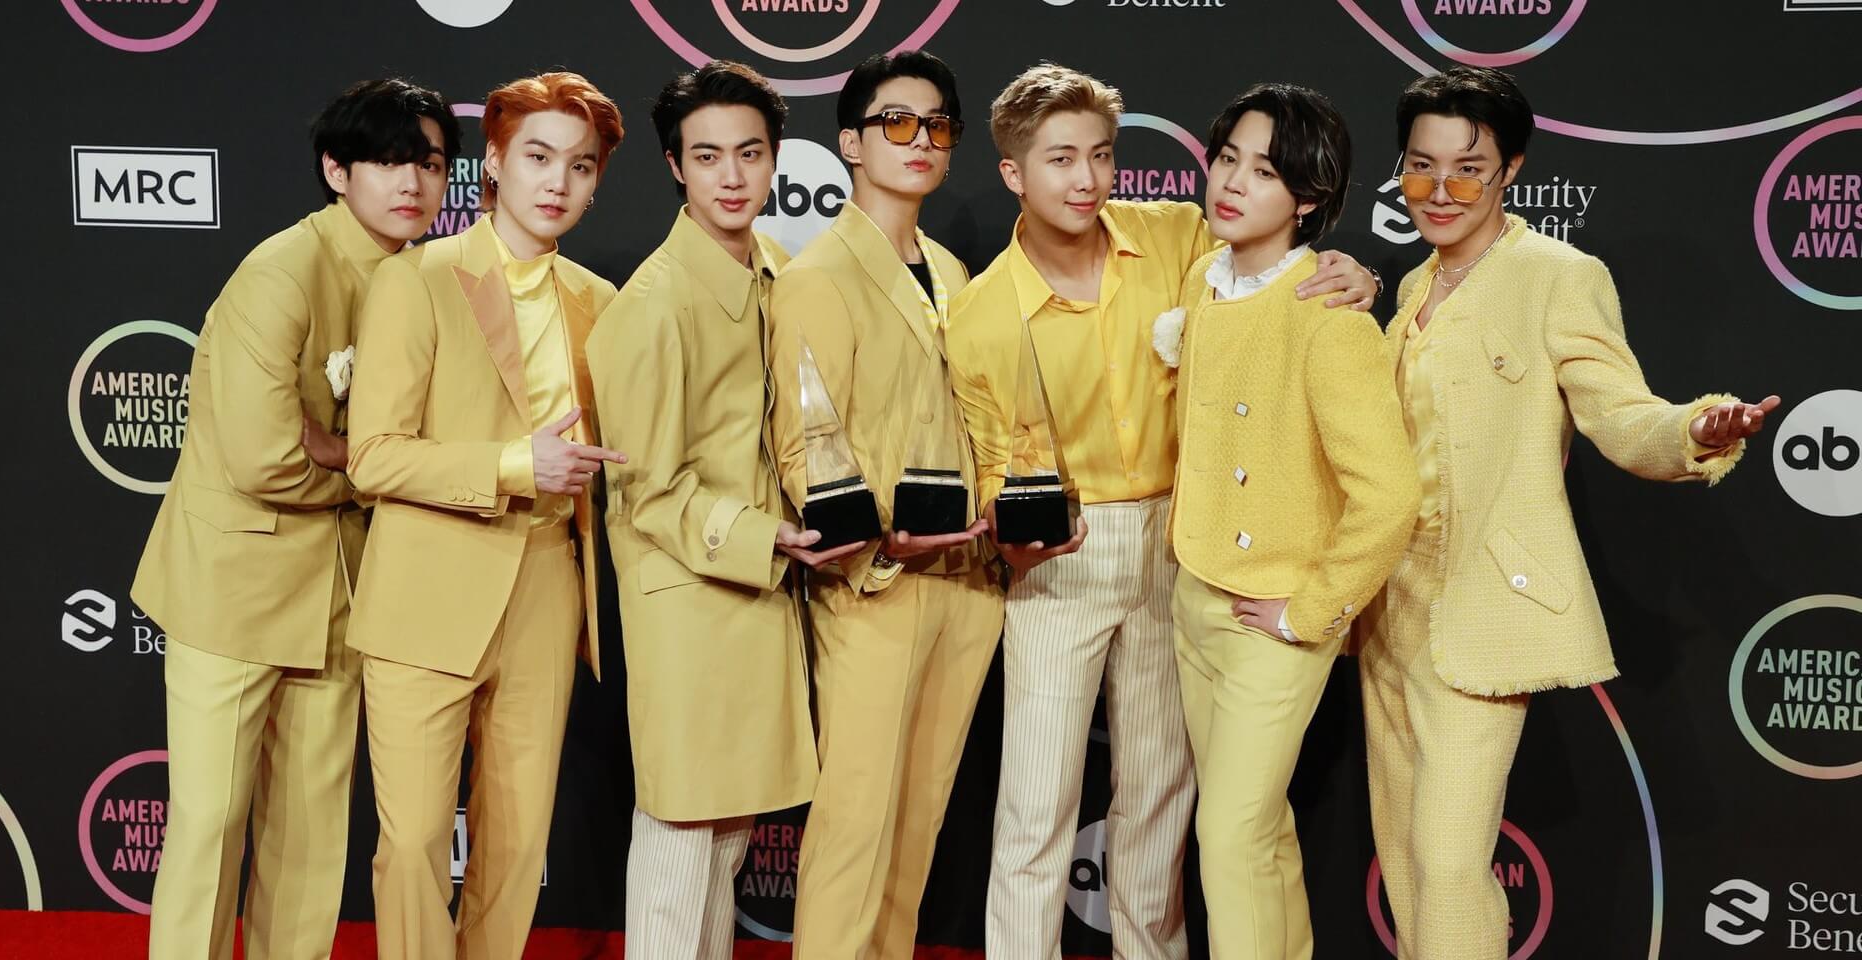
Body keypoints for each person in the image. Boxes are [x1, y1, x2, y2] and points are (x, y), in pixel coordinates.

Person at [942, 62, 1380, 960]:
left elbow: (1278, 263)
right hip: (1056, 563)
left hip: (1181, 546)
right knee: (1034, 807)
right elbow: (988, 469)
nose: (1087, 179)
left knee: (1160, 799)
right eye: (1060, 159)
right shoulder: (980, 314)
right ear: (1013, 173)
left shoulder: (1179, 235)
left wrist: (1356, 271)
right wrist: (1008, 535)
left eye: (1102, 155)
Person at [1363, 65, 1779, 960]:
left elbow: (1621, 417)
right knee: (1403, 860)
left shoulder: (1557, 275)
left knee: (1448, 862)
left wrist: (1698, 429)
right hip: (1388, 608)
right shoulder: (1412, 288)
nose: (1442, 191)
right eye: (1421, 168)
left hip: (1484, 606)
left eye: (1469, 168)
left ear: (1510, 169)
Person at [132, 77, 456, 960]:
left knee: (311, 841)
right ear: (336, 170)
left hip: (346, 597)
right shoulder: (281, 273)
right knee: (209, 825)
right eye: (386, 160)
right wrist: (376, 464)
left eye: (429, 163)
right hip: (234, 592)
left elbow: (431, 442)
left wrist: (340, 448)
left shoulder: (430, 281)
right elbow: (265, 457)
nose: (411, 182)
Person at [345, 71, 625, 960]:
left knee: (515, 849)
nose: (558, 182)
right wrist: (513, 465)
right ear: (495, 163)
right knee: (415, 844)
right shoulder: (417, 279)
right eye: (538, 157)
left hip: (545, 586)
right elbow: (372, 455)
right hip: (427, 587)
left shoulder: (601, 303)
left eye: (581, 166)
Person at [587, 60, 859, 960]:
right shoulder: (652, 305)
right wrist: (765, 535)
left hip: (758, 593)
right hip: (690, 599)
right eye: (708, 157)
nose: (732, 176)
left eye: (749, 153)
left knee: (727, 838)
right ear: (675, 166)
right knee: (679, 839)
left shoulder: (780, 270)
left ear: (776, 157)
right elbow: (647, 488)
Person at [1154, 82, 1417, 960]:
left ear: (1308, 196)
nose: (1232, 182)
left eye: (1264, 171)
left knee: (1227, 836)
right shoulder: (1205, 279)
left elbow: (1389, 496)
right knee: (1257, 832)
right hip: (1196, 596)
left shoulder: (1328, 317)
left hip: (1273, 619)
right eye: (1227, 158)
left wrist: (1311, 611)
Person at [765, 50, 1003, 960]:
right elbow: (805, 437)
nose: (920, 139)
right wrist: (871, 545)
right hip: (875, 587)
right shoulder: (817, 274)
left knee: (917, 828)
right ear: (851, 143)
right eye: (897, 121)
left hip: (966, 583)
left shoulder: (952, 269)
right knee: (855, 829)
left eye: (938, 124)